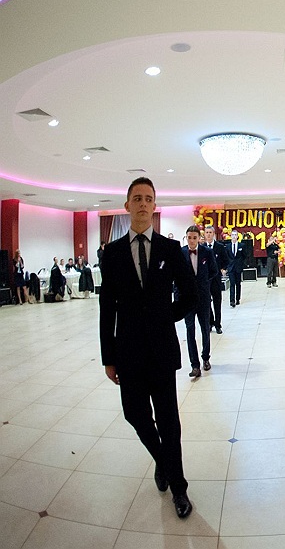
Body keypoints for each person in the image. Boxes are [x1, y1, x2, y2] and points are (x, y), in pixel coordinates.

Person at [99, 177, 196, 519]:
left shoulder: (170, 249)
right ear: (127, 206)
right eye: (137, 198)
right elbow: (107, 308)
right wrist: (108, 358)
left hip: (161, 350)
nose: (143, 203)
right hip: (127, 352)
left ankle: (179, 489)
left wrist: (167, 315)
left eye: (148, 198)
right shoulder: (111, 253)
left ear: (155, 206)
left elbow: (190, 294)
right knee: (135, 415)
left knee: (168, 421)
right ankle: (163, 461)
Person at [182, 225, 218, 377]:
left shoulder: (207, 252)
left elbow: (214, 270)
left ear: (199, 238)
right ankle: (194, 365)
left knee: (205, 328)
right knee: (190, 330)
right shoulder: (180, 253)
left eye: (194, 238)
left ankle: (205, 357)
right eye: (189, 238)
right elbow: (176, 276)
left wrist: (203, 283)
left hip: (203, 297)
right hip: (187, 299)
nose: (191, 241)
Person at [204, 225, 228, 334]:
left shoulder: (220, 247)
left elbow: (226, 260)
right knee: (206, 302)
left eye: (210, 232)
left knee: (217, 302)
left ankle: (218, 324)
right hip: (205, 280)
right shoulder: (202, 248)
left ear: (213, 234)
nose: (208, 234)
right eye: (207, 232)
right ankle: (210, 322)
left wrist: (223, 269)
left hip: (216, 279)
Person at [226, 229, 245, 307]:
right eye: (232, 235)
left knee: (238, 283)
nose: (234, 236)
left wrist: (241, 264)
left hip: (238, 267)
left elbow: (244, 255)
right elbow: (226, 257)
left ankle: (237, 299)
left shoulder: (241, 246)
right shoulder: (228, 246)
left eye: (235, 235)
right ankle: (232, 300)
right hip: (231, 267)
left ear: (237, 236)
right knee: (232, 284)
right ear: (231, 236)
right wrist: (226, 267)